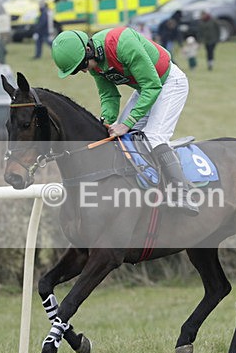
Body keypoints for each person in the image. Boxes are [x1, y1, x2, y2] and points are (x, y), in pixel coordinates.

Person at [52, 27, 199, 215]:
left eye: (81, 66)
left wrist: (127, 123)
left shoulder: (122, 43)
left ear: (88, 50)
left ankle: (183, 194)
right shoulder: (95, 62)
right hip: (145, 89)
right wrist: (105, 121)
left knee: (154, 137)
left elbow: (153, 86)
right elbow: (109, 95)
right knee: (119, 139)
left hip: (169, 84)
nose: (82, 71)